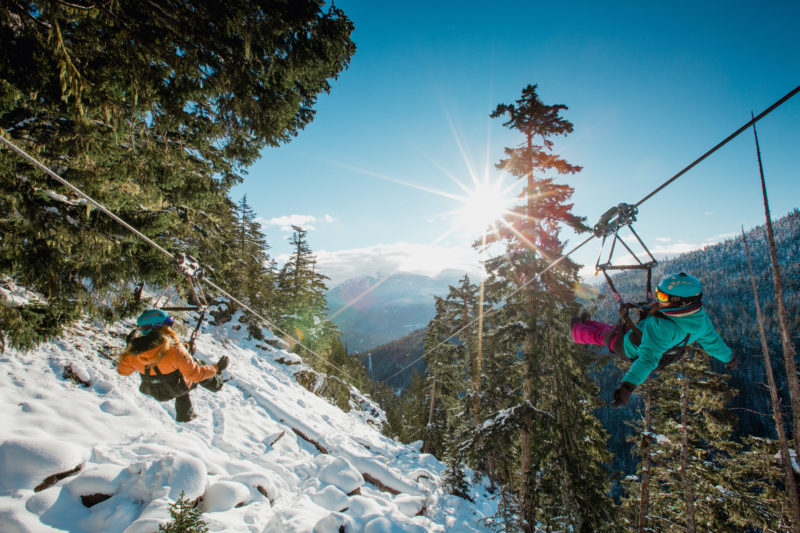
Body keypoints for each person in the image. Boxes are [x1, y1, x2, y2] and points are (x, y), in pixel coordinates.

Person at [570, 272, 737, 408]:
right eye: (659, 294)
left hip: (631, 347)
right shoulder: (699, 319)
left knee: (603, 337)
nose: (659, 299)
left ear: (680, 302)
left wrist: (627, 386)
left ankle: (576, 331)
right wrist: (729, 358)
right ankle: (587, 323)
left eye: (663, 296)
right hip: (641, 335)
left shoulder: (663, 328)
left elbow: (647, 360)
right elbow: (713, 343)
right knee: (611, 330)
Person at [118, 309, 229, 422]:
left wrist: (129, 349)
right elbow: (196, 375)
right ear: (161, 327)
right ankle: (217, 384)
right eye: (169, 322)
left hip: (152, 389)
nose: (171, 326)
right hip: (175, 389)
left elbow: (123, 371)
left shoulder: (134, 353)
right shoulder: (175, 350)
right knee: (195, 366)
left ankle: (185, 414)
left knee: (178, 372)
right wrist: (217, 368)